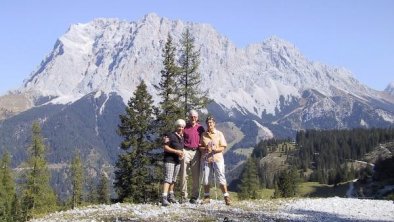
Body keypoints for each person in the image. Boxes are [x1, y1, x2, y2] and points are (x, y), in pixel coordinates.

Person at [200, 115, 231, 205]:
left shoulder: (219, 134)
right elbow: (200, 147)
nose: (209, 124)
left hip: (217, 158)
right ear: (206, 124)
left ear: (214, 124)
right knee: (206, 179)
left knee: (221, 177)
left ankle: (226, 197)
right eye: (208, 123)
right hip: (206, 159)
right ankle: (207, 197)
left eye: (211, 123)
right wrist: (205, 148)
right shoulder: (203, 135)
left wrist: (215, 149)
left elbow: (223, 147)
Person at [180, 109, 205, 203]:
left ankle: (194, 196)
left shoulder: (200, 128)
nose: (193, 118)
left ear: (197, 118)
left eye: (195, 117)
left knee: (196, 176)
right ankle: (183, 196)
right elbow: (178, 135)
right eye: (191, 116)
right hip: (185, 151)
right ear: (189, 117)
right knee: (183, 174)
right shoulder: (184, 126)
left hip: (196, 152)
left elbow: (204, 138)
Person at [161, 119, 185, 206]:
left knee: (173, 179)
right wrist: (176, 152)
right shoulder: (169, 135)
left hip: (177, 161)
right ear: (176, 126)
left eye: (182, 127)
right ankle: (164, 198)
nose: (180, 128)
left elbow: (181, 149)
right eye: (179, 126)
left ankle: (171, 196)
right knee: (168, 178)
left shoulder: (181, 137)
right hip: (169, 160)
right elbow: (165, 147)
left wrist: (181, 154)